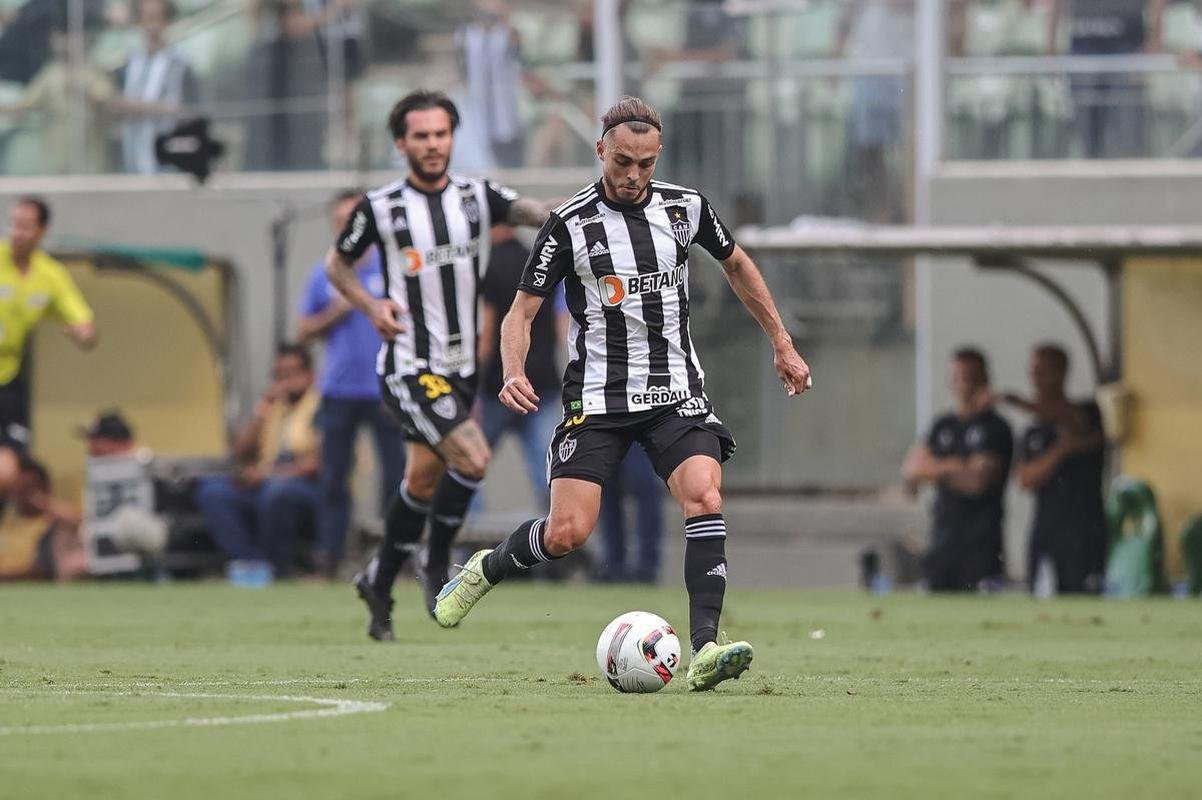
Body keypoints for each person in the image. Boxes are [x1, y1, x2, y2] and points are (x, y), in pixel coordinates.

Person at [433, 96, 812, 692]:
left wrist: (782, 344)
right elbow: (521, 312)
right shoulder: (569, 225)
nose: (634, 175)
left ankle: (706, 649)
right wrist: (513, 370)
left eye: (645, 163)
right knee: (567, 534)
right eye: (623, 162)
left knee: (704, 496)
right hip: (598, 403)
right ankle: (485, 568)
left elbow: (737, 265)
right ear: (601, 150)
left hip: (675, 395)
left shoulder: (686, 209)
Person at [324, 89, 552, 640]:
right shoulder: (379, 207)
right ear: (402, 143)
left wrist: (586, 218)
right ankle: (436, 563)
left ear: (453, 137)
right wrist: (371, 304)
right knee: (472, 459)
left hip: (459, 366)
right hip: (409, 365)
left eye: (441, 134)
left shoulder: (477, 196)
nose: (432, 145)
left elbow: (540, 215)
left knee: (423, 478)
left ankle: (378, 580)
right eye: (420, 136)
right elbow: (338, 265)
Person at [298, 189, 406, 578]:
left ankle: (393, 558)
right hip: (339, 391)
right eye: (339, 220)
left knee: (396, 477)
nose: (346, 227)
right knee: (333, 477)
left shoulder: (394, 270)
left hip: (387, 388)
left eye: (352, 219)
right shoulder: (325, 274)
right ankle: (329, 557)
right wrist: (338, 309)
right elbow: (304, 329)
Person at [194, 343, 321, 577]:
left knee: (277, 493)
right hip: (266, 482)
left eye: (291, 373)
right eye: (279, 375)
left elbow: (319, 465)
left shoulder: (323, 405)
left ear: (308, 375)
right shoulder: (273, 407)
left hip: (307, 488)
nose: (284, 381)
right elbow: (241, 452)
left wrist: (267, 475)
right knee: (213, 492)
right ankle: (253, 564)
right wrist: (263, 409)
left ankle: (277, 568)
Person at [903, 348, 1013, 592]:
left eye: (971, 377)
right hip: (942, 542)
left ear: (984, 380)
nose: (964, 384)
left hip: (981, 547)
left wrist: (935, 470)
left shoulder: (994, 427)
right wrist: (955, 467)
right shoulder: (942, 425)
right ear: (950, 381)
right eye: (959, 377)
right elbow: (911, 471)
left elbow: (977, 482)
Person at [477, 223, 566, 511]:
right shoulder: (539, 261)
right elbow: (562, 325)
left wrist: (470, 387)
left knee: (468, 465)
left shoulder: (488, 265)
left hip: (497, 388)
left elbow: (486, 337)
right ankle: (558, 543)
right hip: (542, 385)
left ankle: (462, 543)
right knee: (550, 474)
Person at [1007, 344, 1107, 594]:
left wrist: (1023, 403)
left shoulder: (1087, 412)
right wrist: (1060, 450)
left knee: (1083, 595)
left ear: (1061, 373)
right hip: (1046, 528)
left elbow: (1083, 429)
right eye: (1033, 372)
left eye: (1042, 372)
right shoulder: (1033, 432)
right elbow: (1025, 479)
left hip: (1084, 528)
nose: (1035, 379)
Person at [0, 197, 97, 448]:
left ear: (41, 230)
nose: (16, 233)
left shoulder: (50, 275)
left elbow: (81, 321)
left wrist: (83, 335)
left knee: (13, 464)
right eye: (14, 225)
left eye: (25, 227)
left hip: (7, 379)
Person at [1050, 0, 1164, 158]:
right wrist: (1051, 46)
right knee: (1085, 135)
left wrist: (1154, 42)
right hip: (1083, 42)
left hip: (1127, 43)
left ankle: (1129, 177)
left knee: (1127, 133)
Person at [110, 0, 199, 174]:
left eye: (155, 18)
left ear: (167, 22)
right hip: (134, 153)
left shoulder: (180, 63)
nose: (150, 26)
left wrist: (135, 106)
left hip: (166, 156)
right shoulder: (131, 60)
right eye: (146, 18)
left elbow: (184, 109)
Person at [0, 456, 88, 581]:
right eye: (18, 487)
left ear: (44, 489)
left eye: (28, 488)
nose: (22, 494)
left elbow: (81, 522)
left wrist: (44, 502)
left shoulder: (52, 524)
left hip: (27, 583)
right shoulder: (7, 518)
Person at [595, 448, 665, 583]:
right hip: (606, 429)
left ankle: (646, 564)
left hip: (640, 430)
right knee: (607, 484)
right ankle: (613, 563)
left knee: (643, 481)